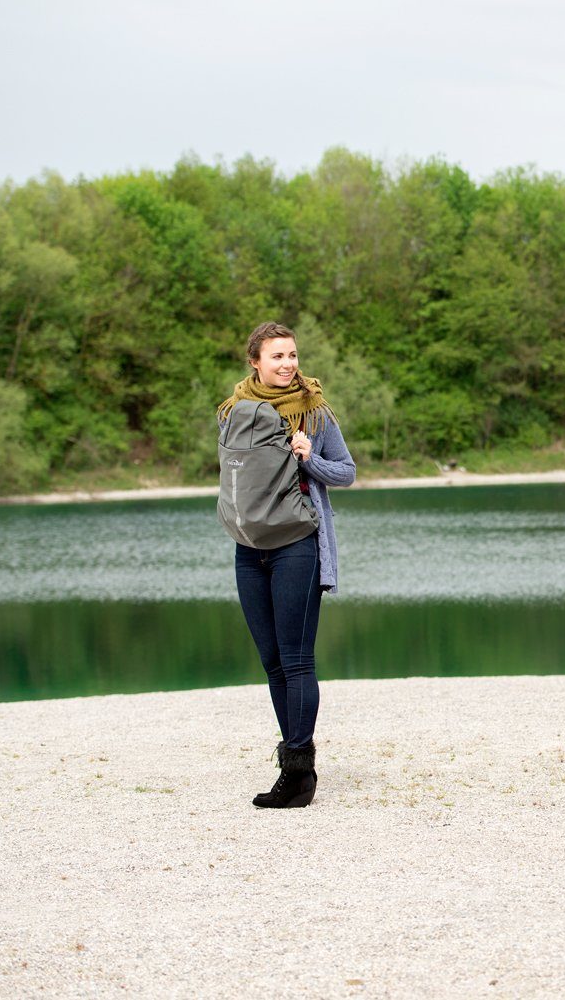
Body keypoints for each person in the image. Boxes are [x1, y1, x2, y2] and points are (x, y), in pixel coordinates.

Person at [216, 321, 356, 808]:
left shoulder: (315, 414)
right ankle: (293, 765)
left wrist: (308, 457)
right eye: (277, 356)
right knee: (272, 662)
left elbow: (347, 472)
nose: (288, 364)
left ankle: (299, 773)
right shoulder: (233, 412)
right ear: (254, 361)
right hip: (249, 549)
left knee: (297, 661)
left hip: (298, 544)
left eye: (292, 355)